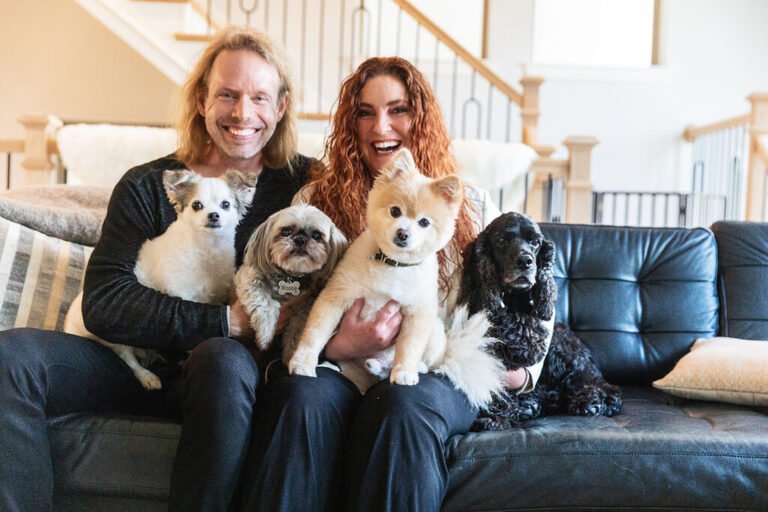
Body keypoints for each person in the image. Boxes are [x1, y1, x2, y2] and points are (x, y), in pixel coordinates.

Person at [0, 27, 312, 512]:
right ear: (203, 99)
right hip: (123, 365)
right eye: (227, 94)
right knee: (11, 357)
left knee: (224, 360)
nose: (242, 113)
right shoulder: (149, 185)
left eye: (259, 97)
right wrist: (223, 321)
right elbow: (105, 301)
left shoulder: (301, 187)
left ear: (282, 105)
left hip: (221, 378)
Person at [238, 57, 549, 511]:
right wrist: (337, 347)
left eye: (397, 109)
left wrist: (520, 373)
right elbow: (288, 300)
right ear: (350, 123)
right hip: (340, 365)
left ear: (420, 119)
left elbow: (531, 297)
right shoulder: (314, 200)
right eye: (365, 112)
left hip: (432, 367)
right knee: (299, 397)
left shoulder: (471, 204)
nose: (380, 126)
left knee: (402, 407)